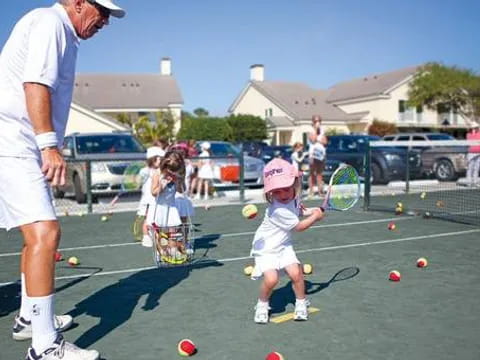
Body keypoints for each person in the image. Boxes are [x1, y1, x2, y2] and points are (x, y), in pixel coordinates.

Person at [0, 1, 125, 359]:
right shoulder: (49, 24)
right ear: (78, 3)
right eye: (102, 11)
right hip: (14, 143)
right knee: (45, 233)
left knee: (34, 235)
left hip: (18, 143)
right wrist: (49, 146)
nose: (105, 20)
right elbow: (35, 84)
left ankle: (28, 320)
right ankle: (44, 346)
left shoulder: (62, 32)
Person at [250, 158, 324, 324]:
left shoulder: (294, 199)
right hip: (266, 249)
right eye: (277, 191)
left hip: (283, 246)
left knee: (297, 273)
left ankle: (301, 303)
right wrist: (315, 218)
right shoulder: (277, 210)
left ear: (294, 185)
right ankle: (262, 305)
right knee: (271, 280)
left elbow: (301, 211)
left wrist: (314, 211)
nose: (282, 195)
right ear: (270, 193)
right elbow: (298, 227)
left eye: (286, 189)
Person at [149, 151, 185, 261]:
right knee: (159, 232)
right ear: (165, 166)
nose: (172, 173)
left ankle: (173, 250)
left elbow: (181, 190)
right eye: (170, 171)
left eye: (174, 172)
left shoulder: (176, 175)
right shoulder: (157, 174)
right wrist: (162, 184)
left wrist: (178, 181)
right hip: (159, 207)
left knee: (173, 231)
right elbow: (153, 192)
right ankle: (161, 252)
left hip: (171, 206)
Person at [137, 146, 164, 247]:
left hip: (157, 199)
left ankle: (154, 235)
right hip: (148, 199)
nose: (161, 161)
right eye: (159, 159)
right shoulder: (146, 171)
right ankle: (146, 236)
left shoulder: (160, 170)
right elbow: (140, 181)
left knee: (155, 218)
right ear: (153, 159)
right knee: (147, 218)